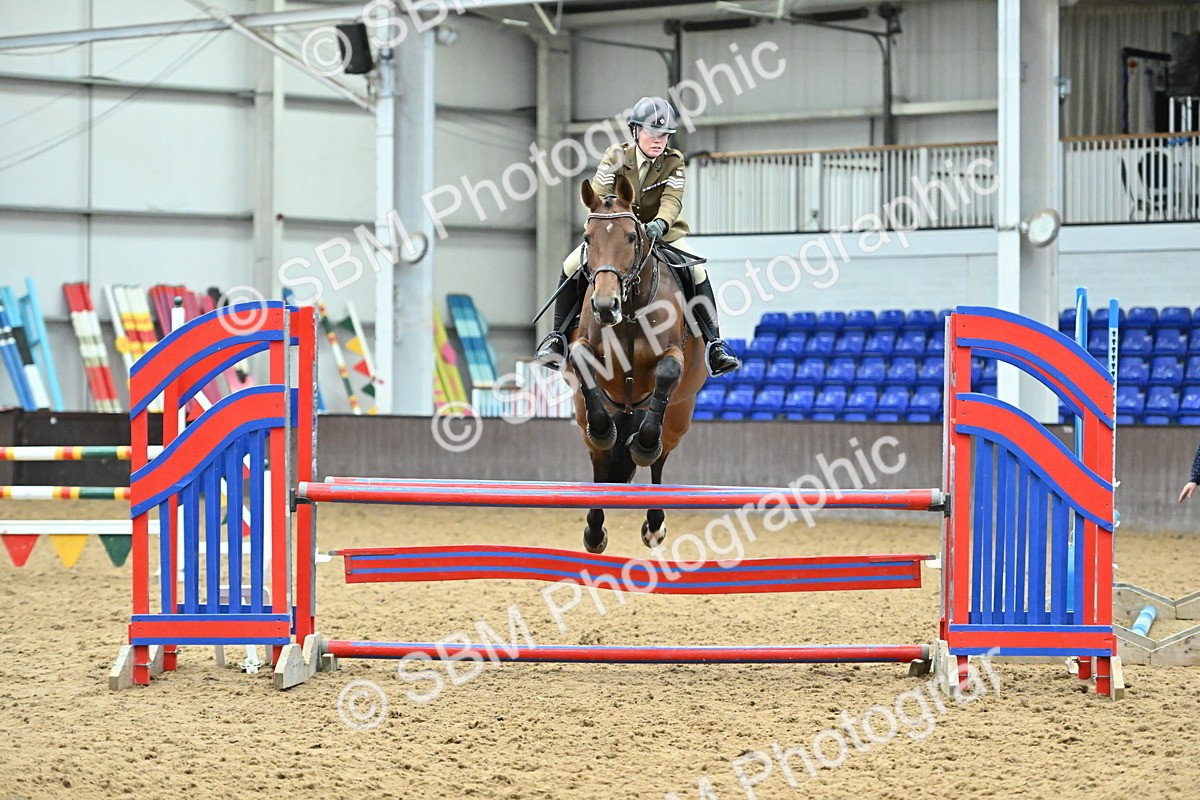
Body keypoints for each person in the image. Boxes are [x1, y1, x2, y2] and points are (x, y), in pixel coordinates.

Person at [533, 96, 742, 378]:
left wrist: (660, 223)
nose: (659, 140)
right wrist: (617, 216)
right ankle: (557, 338)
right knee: (570, 266)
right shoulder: (615, 156)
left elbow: (672, 200)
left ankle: (715, 345)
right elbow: (599, 190)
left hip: (661, 234)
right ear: (636, 132)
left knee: (697, 270)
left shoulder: (674, 161)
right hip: (618, 235)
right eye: (652, 133)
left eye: (665, 135)